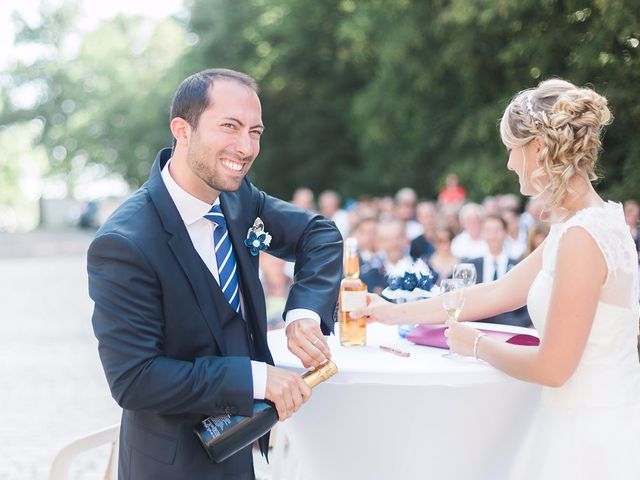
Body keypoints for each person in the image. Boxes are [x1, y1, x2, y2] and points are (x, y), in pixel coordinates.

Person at [352, 78, 640, 479]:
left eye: (511, 150)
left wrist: (477, 344)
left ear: (538, 148)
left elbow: (554, 367)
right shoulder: (591, 221)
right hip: (597, 416)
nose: (508, 164)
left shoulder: (581, 236)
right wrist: (393, 312)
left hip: (589, 437)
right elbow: (500, 291)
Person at [87, 68, 343, 480]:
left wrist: (303, 315)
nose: (245, 147)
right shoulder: (124, 243)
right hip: (171, 465)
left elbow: (320, 235)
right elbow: (135, 380)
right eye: (230, 127)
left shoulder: (239, 199)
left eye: (255, 131)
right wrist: (255, 378)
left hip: (241, 450)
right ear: (182, 130)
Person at [464, 215, 531, 327]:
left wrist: (517, 325)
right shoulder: (471, 266)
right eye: (488, 231)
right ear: (482, 234)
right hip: (477, 327)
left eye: (497, 230)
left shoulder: (519, 265)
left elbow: (529, 303)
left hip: (511, 328)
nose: (492, 235)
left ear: (505, 232)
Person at [360, 218, 411, 294]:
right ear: (377, 243)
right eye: (386, 240)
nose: (393, 244)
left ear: (406, 239)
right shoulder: (367, 279)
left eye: (397, 238)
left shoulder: (425, 272)